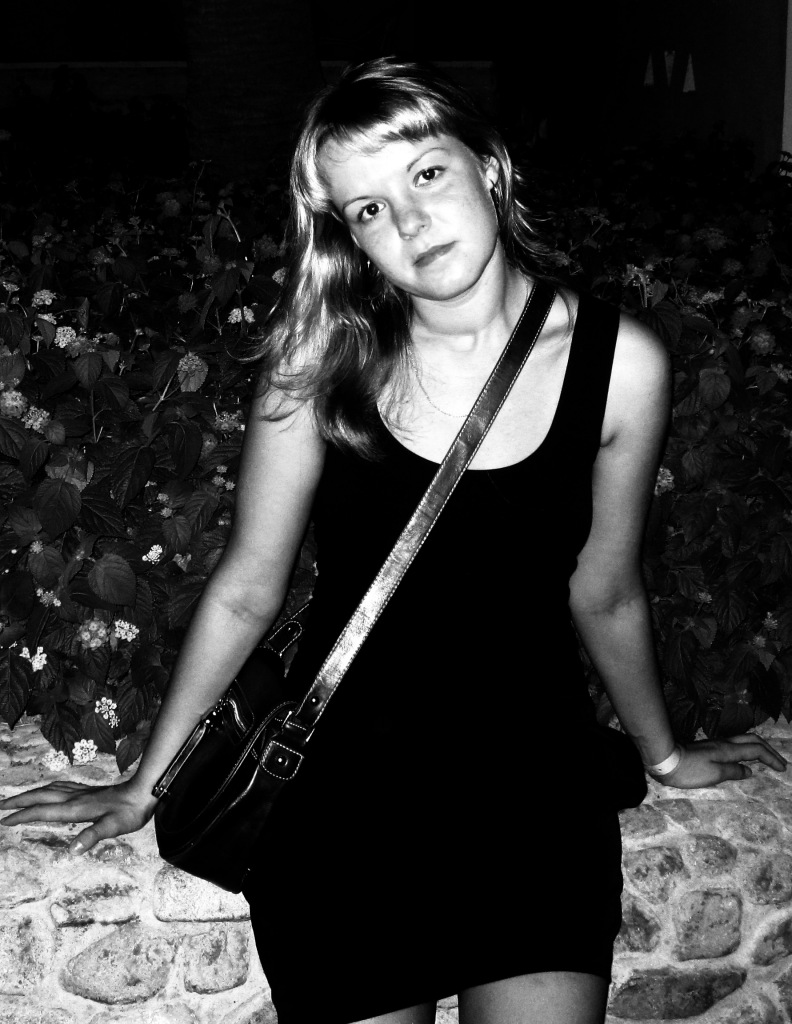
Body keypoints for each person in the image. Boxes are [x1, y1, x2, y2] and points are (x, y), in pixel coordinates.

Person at [1, 57, 786, 1024]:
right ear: (347, 235)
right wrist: (144, 785)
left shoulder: (621, 364)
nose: (410, 223)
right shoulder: (321, 362)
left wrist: (662, 757)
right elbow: (248, 586)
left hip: (531, 790)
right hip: (347, 800)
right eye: (369, 209)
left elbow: (606, 587)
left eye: (426, 174)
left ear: (488, 166)